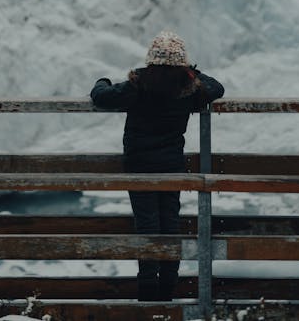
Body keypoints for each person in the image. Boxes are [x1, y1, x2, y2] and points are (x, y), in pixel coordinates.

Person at [90, 30, 224, 302]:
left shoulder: (138, 84)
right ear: (182, 63)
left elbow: (102, 96)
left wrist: (101, 80)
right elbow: (217, 88)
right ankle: (167, 293)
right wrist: (192, 72)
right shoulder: (190, 87)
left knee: (147, 226)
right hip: (171, 165)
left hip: (139, 165)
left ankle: (148, 294)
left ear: (151, 60)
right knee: (170, 224)